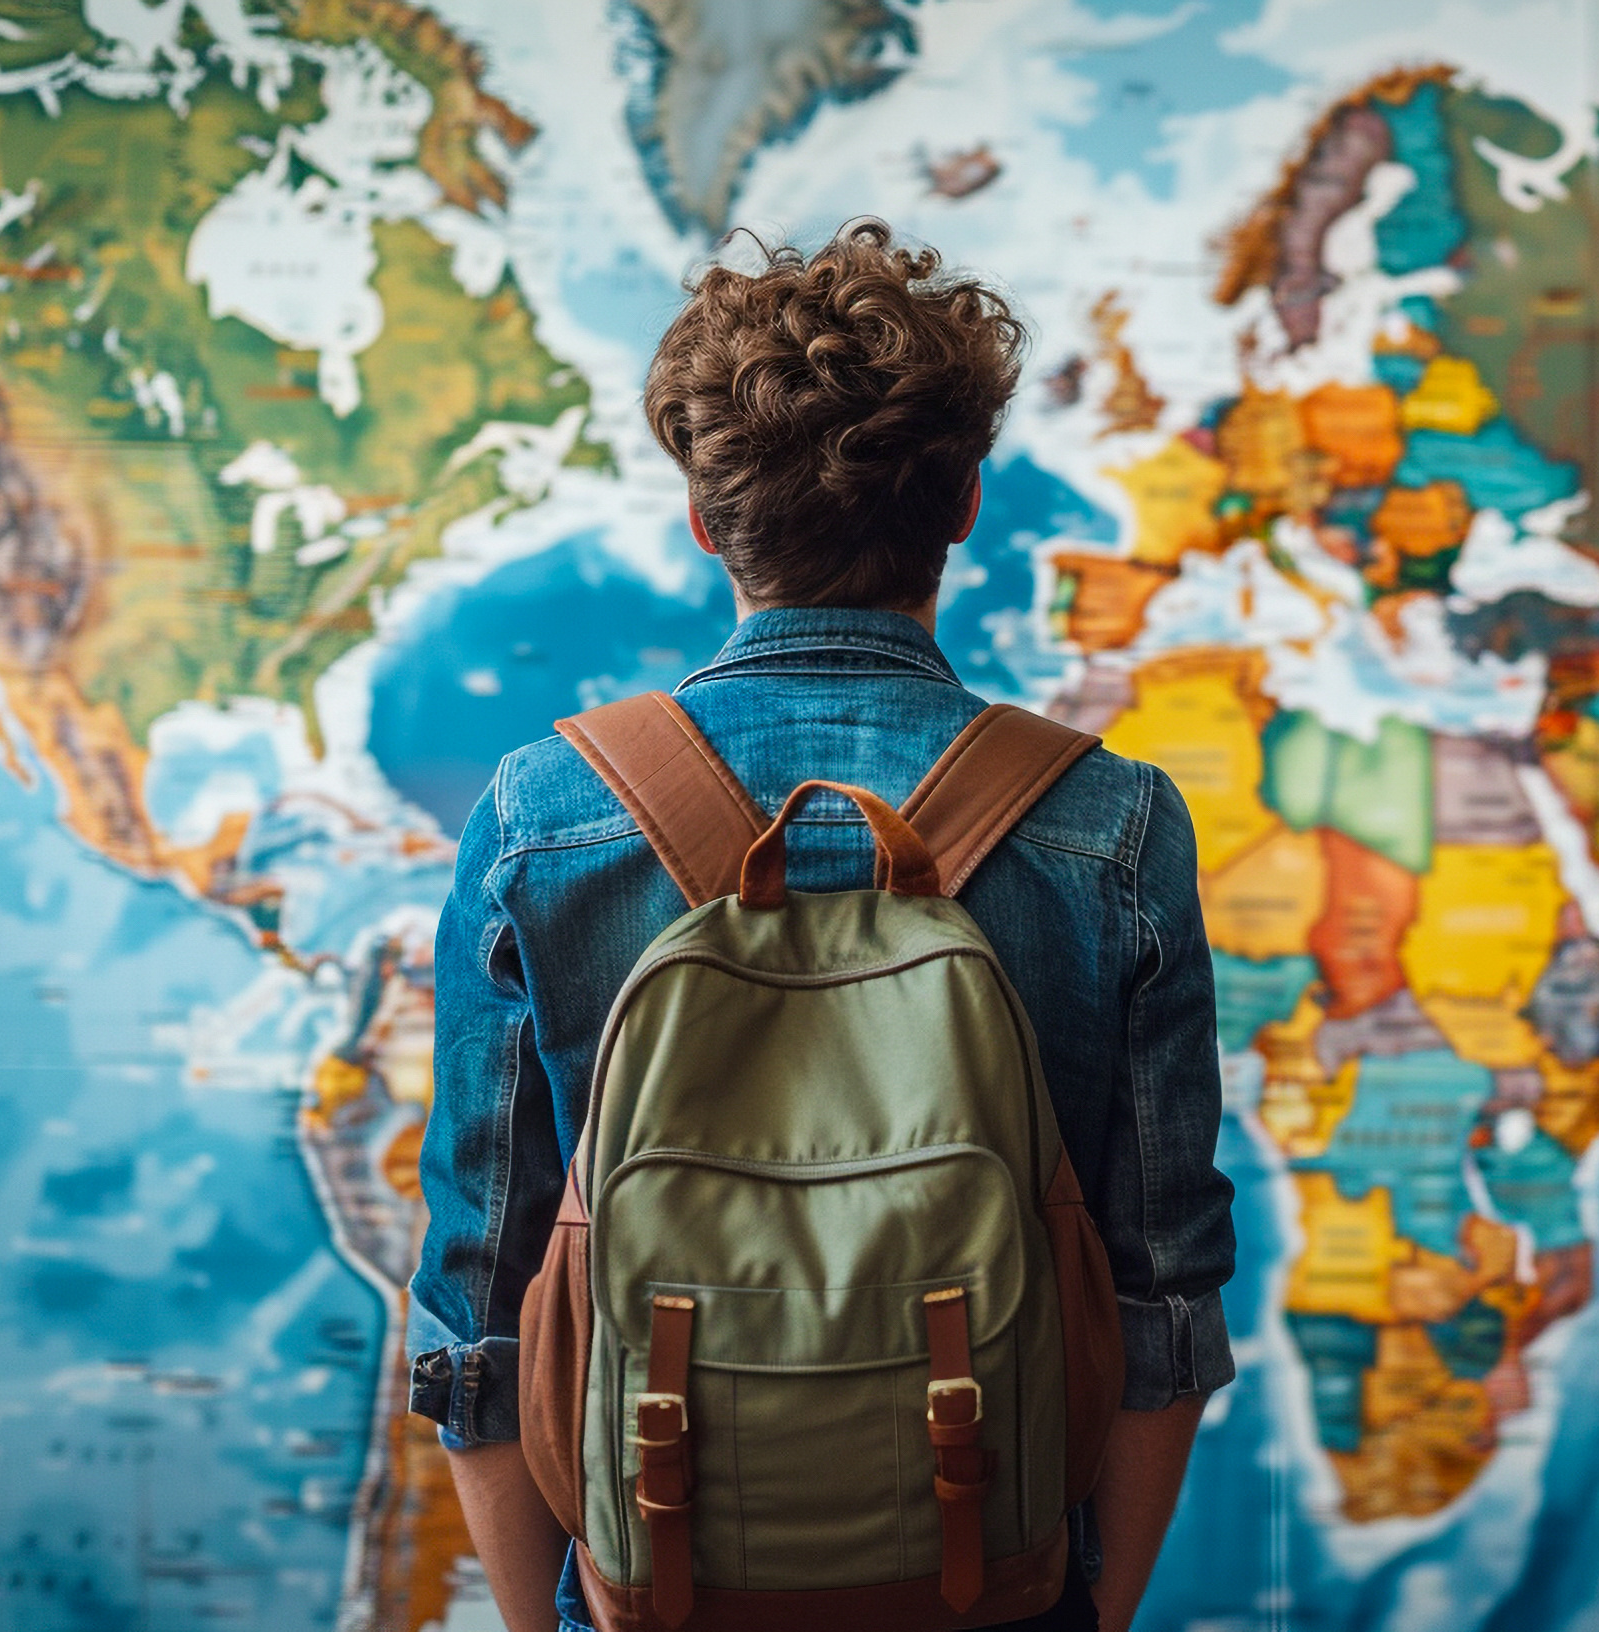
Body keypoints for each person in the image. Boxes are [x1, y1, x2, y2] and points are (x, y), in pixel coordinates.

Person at [404, 218, 1236, 1632]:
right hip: (993, 1580)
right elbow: (1162, 1310)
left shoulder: (543, 816)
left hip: (652, 1579)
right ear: (966, 500)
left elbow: (478, 1308)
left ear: (701, 514)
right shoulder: (1113, 828)